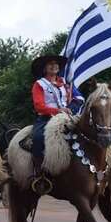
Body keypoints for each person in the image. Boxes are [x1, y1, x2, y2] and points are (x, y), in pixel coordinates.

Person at [30, 54, 72, 195]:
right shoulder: (39, 84)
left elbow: (71, 101)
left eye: (56, 64)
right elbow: (39, 106)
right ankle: (39, 174)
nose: (54, 66)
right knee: (37, 138)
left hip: (66, 117)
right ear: (44, 69)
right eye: (50, 64)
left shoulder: (65, 83)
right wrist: (57, 110)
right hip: (46, 119)